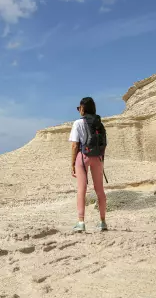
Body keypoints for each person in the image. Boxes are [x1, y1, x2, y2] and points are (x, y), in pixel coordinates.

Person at [68, 97, 107, 232]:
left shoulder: (78, 123)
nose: (79, 110)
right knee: (99, 190)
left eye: (79, 108)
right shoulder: (99, 123)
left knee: (81, 189)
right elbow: (104, 143)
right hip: (97, 157)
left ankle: (81, 222)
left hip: (83, 156)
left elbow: (74, 145)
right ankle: (102, 222)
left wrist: (72, 163)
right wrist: (101, 158)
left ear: (83, 108)